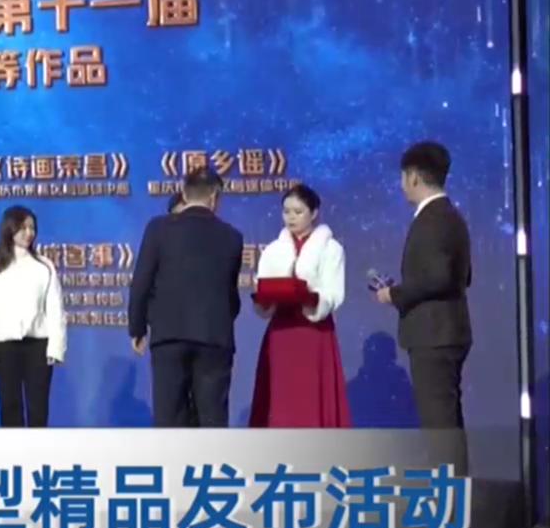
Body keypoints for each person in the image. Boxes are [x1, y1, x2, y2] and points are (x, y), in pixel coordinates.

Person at [128, 168, 245, 427]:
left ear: (183, 192)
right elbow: (230, 293)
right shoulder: (232, 237)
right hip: (214, 338)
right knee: (212, 419)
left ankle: (174, 456)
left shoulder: (158, 229)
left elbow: (141, 281)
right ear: (214, 197)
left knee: (169, 418)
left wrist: (137, 328)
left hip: (169, 336)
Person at [374, 141, 473, 435]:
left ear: (414, 176)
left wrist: (394, 294)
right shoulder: (450, 215)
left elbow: (440, 277)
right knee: (446, 422)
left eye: (403, 177)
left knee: (439, 424)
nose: (402, 184)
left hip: (433, 335)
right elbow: (461, 275)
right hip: (446, 331)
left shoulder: (433, 218)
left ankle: (445, 469)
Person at [249, 184, 351, 427]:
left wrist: (313, 299)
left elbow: (333, 292)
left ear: (314, 213)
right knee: (280, 395)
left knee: (311, 395)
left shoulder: (331, 249)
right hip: (282, 331)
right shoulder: (273, 249)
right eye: (286, 212)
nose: (291, 217)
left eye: (298, 212)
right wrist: (263, 297)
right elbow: (264, 286)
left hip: (314, 332)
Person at [0, 205, 65, 427]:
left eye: (32, 228)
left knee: (38, 407)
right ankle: (12, 450)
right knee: (9, 406)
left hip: (38, 346)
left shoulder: (45, 266)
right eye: (23, 227)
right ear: (9, 229)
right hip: (4, 347)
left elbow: (55, 310)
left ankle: (39, 449)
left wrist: (56, 348)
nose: (29, 233)